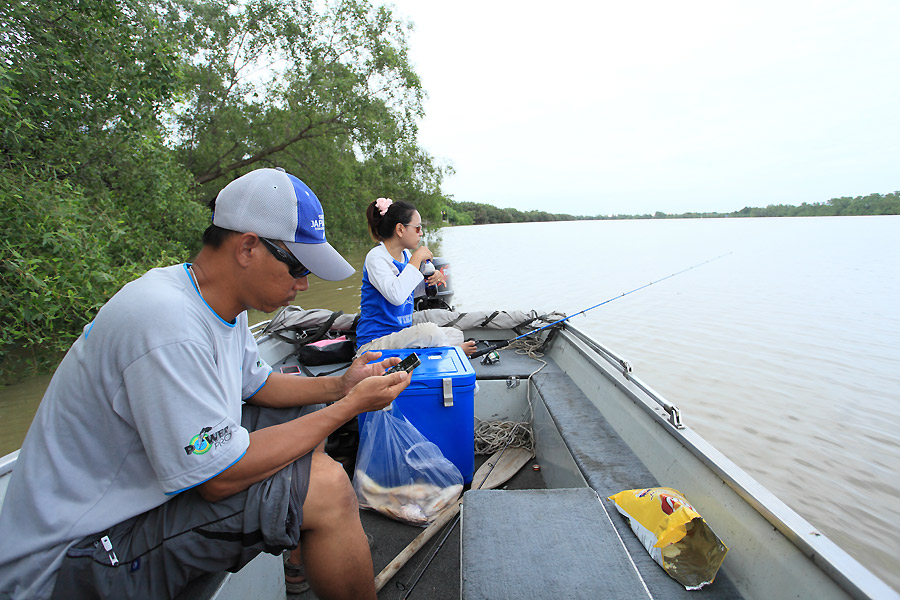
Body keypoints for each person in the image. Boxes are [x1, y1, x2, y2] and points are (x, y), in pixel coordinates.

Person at [0, 168, 411, 600]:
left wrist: (341, 387)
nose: (303, 285)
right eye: (296, 267)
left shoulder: (215, 304)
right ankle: (321, 529)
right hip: (73, 560)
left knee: (302, 414)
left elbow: (258, 386)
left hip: (139, 506)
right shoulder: (165, 321)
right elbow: (219, 478)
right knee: (326, 489)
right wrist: (347, 409)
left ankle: (303, 557)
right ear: (248, 246)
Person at [355, 197, 477, 356]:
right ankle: (453, 353)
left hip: (399, 334)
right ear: (400, 230)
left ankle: (444, 349)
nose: (421, 233)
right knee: (430, 332)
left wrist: (428, 282)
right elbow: (396, 296)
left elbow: (409, 291)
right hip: (374, 343)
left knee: (455, 334)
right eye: (417, 228)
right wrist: (417, 258)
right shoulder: (376, 258)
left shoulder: (405, 255)